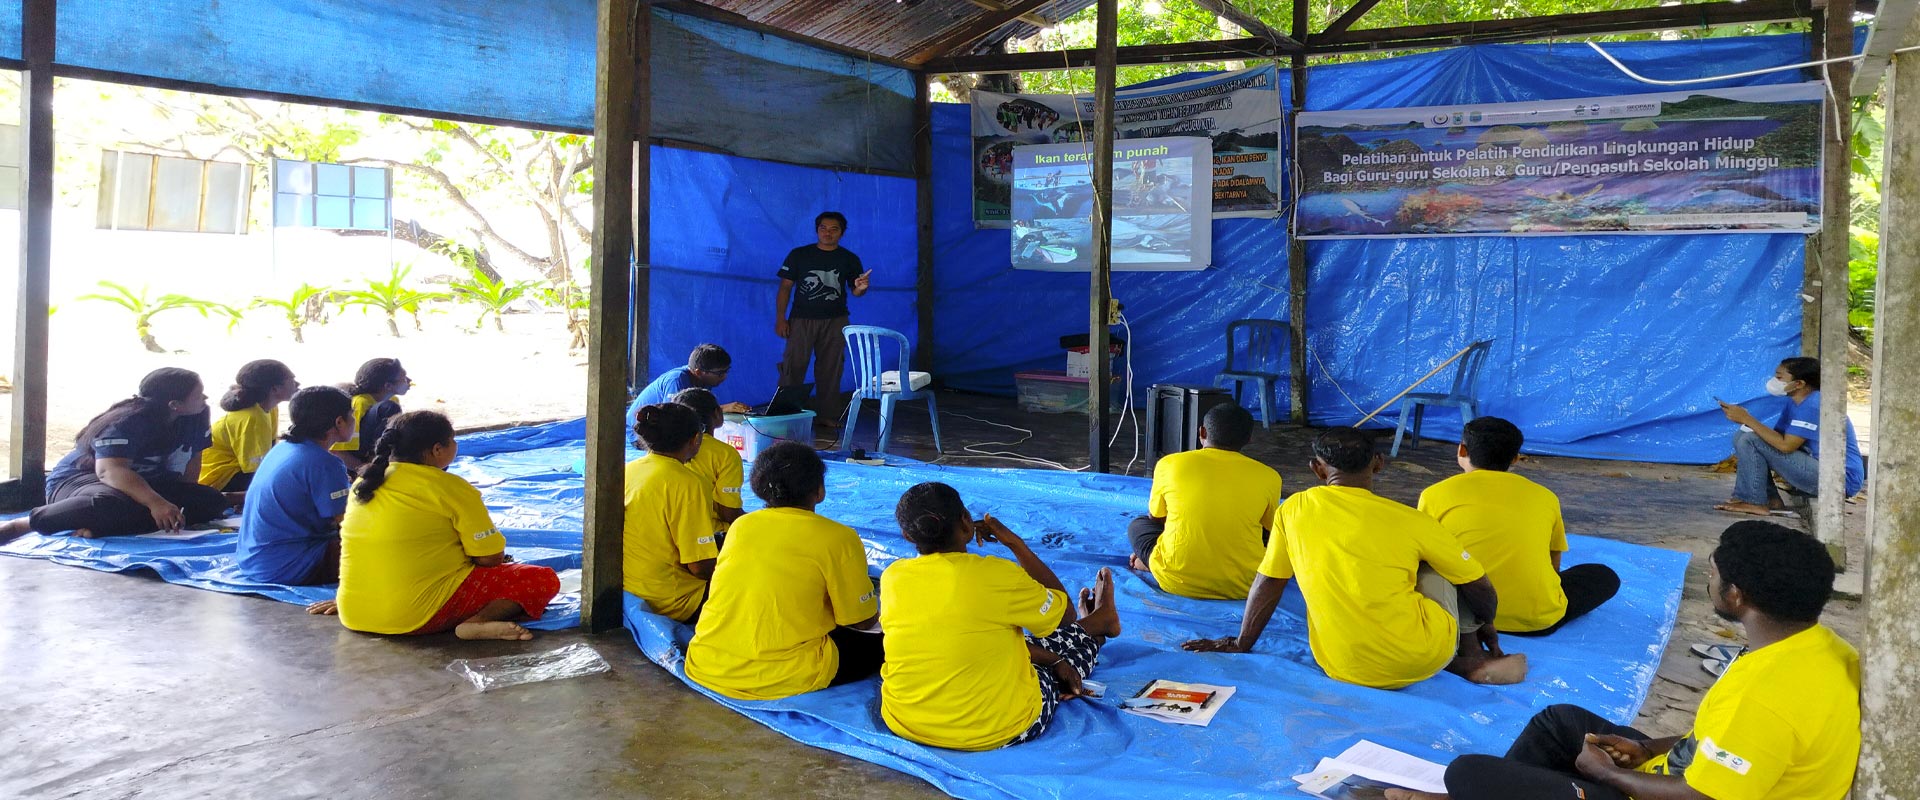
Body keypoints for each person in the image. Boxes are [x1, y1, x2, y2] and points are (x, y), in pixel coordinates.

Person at [1393, 521, 1860, 800]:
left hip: (1690, 795)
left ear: (1736, 595)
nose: (1709, 582)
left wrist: (1609, 775)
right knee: (1561, 721)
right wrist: (1652, 748)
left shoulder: (1765, 696)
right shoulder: (1821, 647)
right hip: (1695, 774)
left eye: (1713, 574)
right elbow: (1737, 742)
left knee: (1466, 772)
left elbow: (1704, 794)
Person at [1184, 427, 1527, 688]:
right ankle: (1471, 659)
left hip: (1341, 665)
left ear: (1317, 470)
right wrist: (1488, 626)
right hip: (1421, 660)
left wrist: (1242, 643)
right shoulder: (1413, 520)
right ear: (1379, 464)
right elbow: (1480, 587)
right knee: (1441, 568)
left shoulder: (1294, 511)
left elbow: (1270, 581)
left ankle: (1459, 659)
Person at [879, 482, 1123, 751]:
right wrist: (1015, 544)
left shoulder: (893, 577)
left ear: (906, 535)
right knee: (1061, 668)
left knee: (1001, 638)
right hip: (996, 729)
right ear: (965, 521)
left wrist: (1052, 658)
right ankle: (1097, 633)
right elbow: (1063, 615)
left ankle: (1098, 623)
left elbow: (967, 642)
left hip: (907, 722)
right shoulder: (997, 575)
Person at [322, 410, 560, 641]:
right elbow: (490, 558)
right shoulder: (450, 487)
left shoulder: (364, 484)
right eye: (453, 440)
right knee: (541, 578)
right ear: (437, 450)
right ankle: (477, 622)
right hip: (415, 617)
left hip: (354, 612)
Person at [685, 442, 881, 700]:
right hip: (781, 676)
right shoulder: (838, 537)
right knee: (887, 641)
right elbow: (861, 620)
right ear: (819, 491)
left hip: (708, 663)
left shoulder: (741, 526)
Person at [1418, 417, 1620, 636]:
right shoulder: (1545, 497)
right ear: (1515, 458)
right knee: (1603, 576)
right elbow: (1554, 563)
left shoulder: (1433, 495)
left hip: (1461, 617)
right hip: (1536, 621)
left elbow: (1422, 554)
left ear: (1461, 450)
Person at [0, 368, 226, 542]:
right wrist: (156, 502)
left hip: (141, 486)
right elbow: (110, 471)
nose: (205, 398)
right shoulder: (127, 421)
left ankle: (95, 526)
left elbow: (194, 458)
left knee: (209, 501)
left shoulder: (197, 416)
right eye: (198, 394)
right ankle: (25, 524)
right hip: (84, 481)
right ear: (175, 404)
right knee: (106, 505)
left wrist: (182, 497)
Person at [1125, 404, 1282, 600]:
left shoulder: (1169, 464)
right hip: (1246, 584)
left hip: (1174, 579)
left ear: (1202, 432)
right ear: (1249, 439)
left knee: (1138, 525)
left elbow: (1157, 519)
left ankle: (1151, 563)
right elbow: (1270, 531)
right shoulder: (1269, 476)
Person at [234, 386, 355, 586]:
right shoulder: (324, 463)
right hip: (287, 567)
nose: (354, 420)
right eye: (352, 415)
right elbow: (349, 524)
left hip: (253, 560)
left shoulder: (283, 447)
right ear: (339, 422)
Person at [1715, 356, 1865, 516]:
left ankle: (1753, 501)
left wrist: (1747, 419)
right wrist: (1746, 422)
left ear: (1799, 383)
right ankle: (1770, 499)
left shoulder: (1813, 405)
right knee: (1742, 436)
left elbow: (1786, 446)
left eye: (1779, 377)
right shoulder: (1795, 402)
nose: (1774, 381)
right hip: (1819, 467)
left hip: (1840, 480)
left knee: (1750, 440)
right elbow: (1776, 437)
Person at [624, 402, 720, 622]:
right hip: (674, 602)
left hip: (631, 588)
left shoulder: (629, 470)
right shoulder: (688, 484)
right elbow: (699, 567)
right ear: (696, 439)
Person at [775, 211, 870, 426]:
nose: (828, 233)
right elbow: (785, 288)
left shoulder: (849, 259)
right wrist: (781, 319)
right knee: (793, 367)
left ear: (842, 233)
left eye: (834, 229)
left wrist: (861, 288)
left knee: (831, 368)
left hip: (836, 321)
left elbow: (855, 291)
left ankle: (827, 416)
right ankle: (785, 416)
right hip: (801, 320)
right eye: (823, 228)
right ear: (817, 230)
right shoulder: (799, 255)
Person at [199, 359, 299, 497]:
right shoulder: (252, 417)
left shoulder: (270, 408)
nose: (297, 384)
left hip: (240, 470)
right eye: (292, 380)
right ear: (275, 389)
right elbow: (257, 469)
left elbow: (269, 450)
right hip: (221, 479)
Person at [626, 345, 749, 445]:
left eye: (727, 371)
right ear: (698, 372)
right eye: (720, 373)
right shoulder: (677, 380)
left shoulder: (705, 380)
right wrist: (723, 409)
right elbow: (673, 417)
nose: (725, 377)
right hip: (641, 434)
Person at [671, 388, 745, 540]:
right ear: (717, 413)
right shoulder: (725, 454)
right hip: (708, 536)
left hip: (669, 531)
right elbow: (729, 513)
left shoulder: (663, 448)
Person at [332, 358, 410, 474]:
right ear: (388, 386)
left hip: (377, 451)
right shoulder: (360, 402)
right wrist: (364, 470)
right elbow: (338, 451)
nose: (409, 381)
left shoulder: (394, 399)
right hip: (356, 462)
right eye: (404, 379)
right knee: (388, 407)